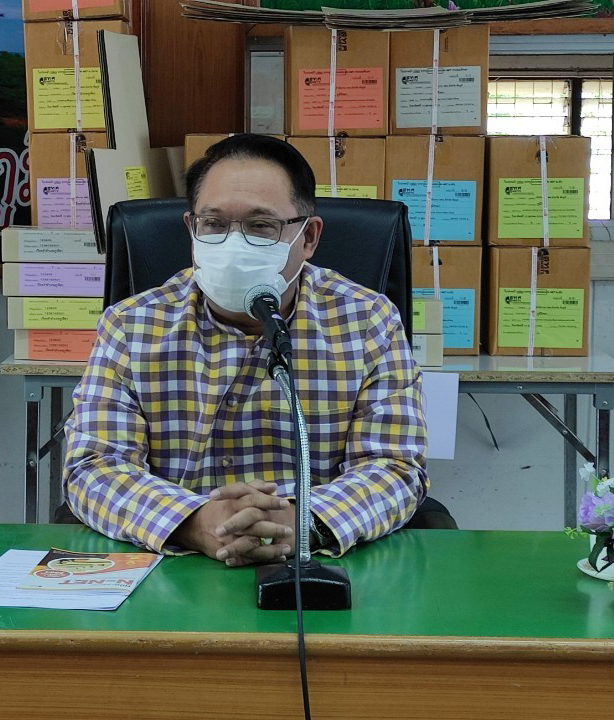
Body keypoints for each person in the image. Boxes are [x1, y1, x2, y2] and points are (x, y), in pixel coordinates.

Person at [62, 133, 430, 568]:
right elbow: (94, 466)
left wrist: (300, 522)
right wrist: (196, 522)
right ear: (191, 229)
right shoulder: (130, 325)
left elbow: (394, 467)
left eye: (261, 226)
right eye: (214, 224)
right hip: (177, 561)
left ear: (308, 238)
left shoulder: (368, 321)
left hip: (319, 563)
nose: (233, 246)